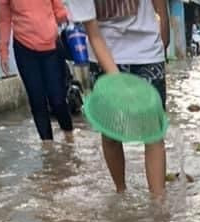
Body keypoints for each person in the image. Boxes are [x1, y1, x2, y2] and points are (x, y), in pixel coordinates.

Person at [66, 0, 169, 196]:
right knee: (110, 134)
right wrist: (118, 82)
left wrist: (163, 39)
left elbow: (160, 6)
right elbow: (93, 34)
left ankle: (159, 204)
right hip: (105, 54)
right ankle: (121, 192)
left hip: (148, 52)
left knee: (154, 133)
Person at [0, 0, 75, 142]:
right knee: (37, 101)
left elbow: (59, 10)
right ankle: (48, 147)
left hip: (52, 46)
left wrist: (67, 22)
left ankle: (70, 138)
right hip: (24, 48)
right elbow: (4, 19)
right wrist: (3, 51)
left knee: (58, 100)